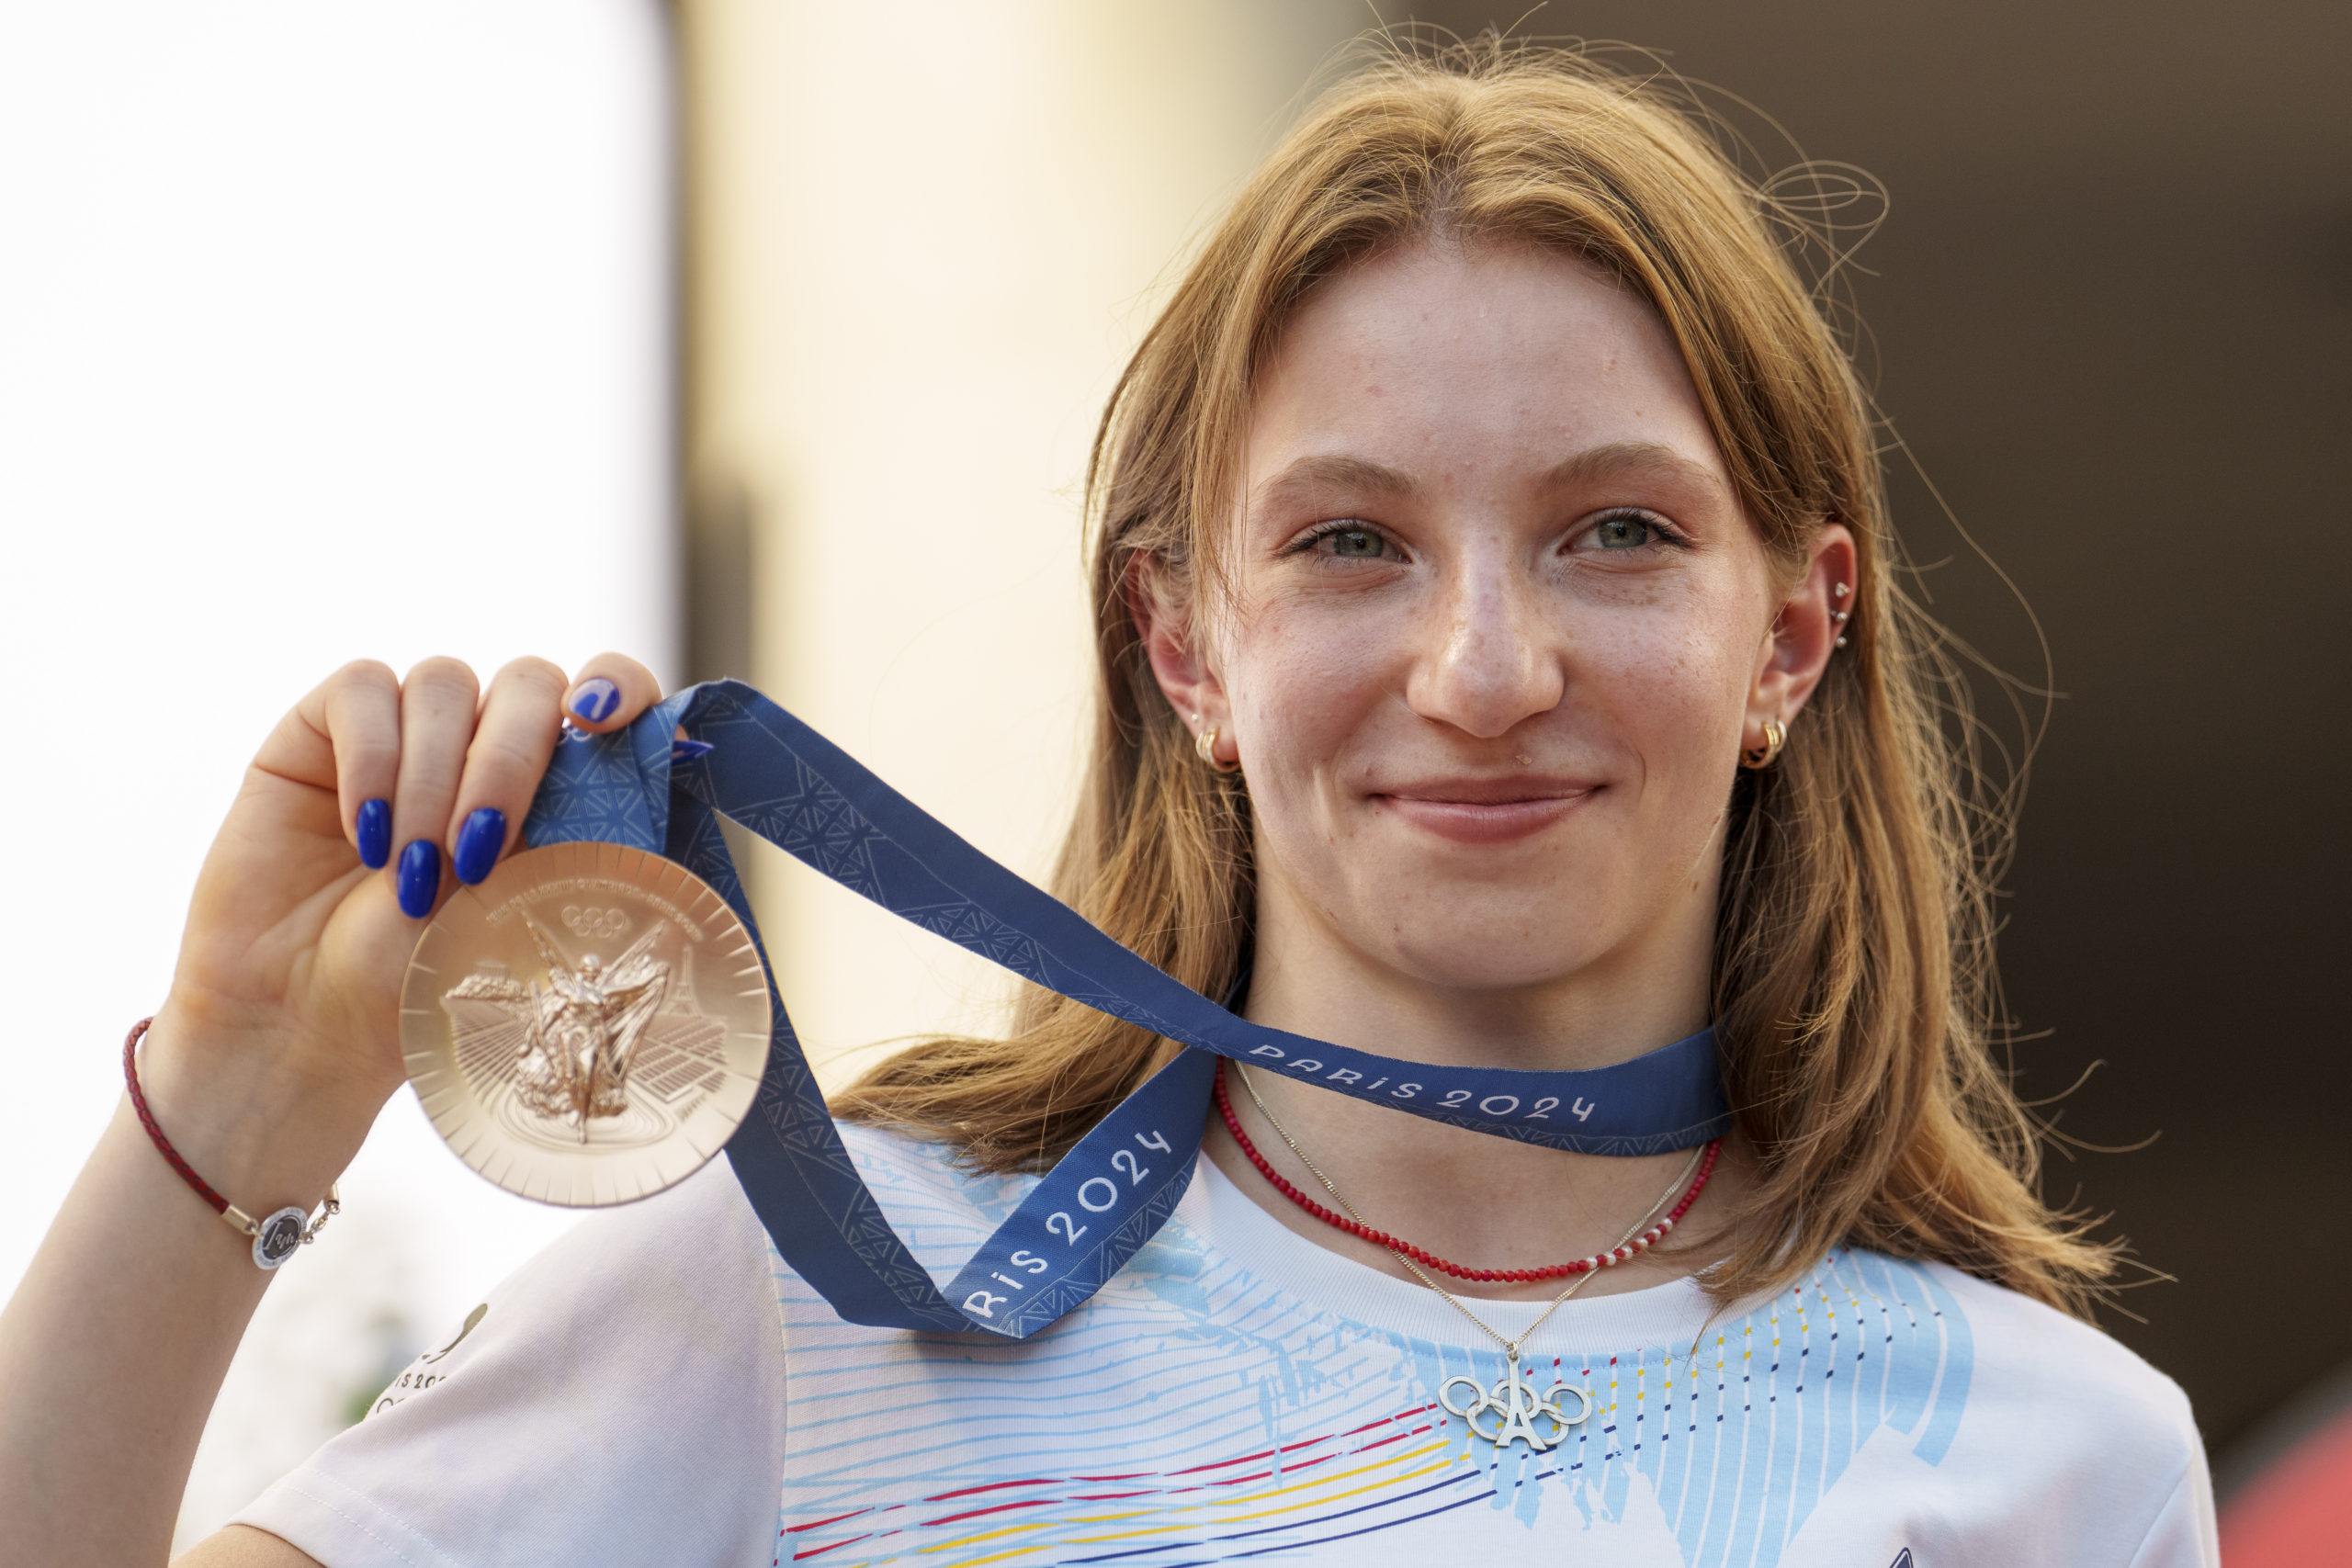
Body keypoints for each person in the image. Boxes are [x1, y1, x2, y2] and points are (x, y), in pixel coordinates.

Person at [0, 39, 2216, 1567]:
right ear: (1184, 647)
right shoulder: (805, 1299)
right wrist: (234, 1097)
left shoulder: (2051, 1454)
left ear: (1793, 634)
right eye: (1348, 539)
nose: (1481, 668)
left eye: (1614, 530)